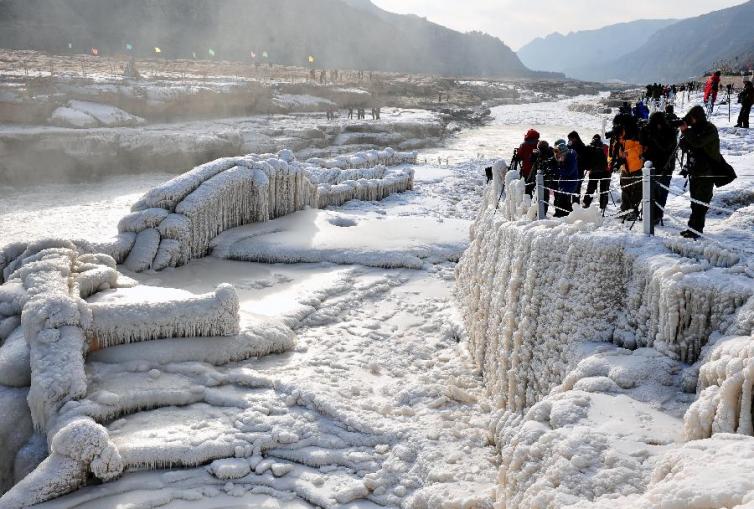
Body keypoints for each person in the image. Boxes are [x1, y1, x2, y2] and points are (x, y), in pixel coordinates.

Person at [679, 105, 722, 238]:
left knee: (701, 203)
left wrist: (686, 131)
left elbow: (698, 143)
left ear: (697, 117)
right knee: (694, 202)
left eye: (691, 118)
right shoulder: (695, 130)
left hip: (707, 172)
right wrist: (684, 135)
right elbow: (687, 146)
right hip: (695, 171)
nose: (690, 121)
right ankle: (692, 228)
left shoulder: (710, 129)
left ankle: (697, 230)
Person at [640, 112, 678, 224]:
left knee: (660, 194)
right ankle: (648, 214)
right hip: (650, 166)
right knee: (648, 192)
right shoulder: (651, 131)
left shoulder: (670, 132)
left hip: (665, 167)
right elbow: (642, 141)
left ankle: (656, 216)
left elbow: (665, 147)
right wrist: (644, 131)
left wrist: (654, 135)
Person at [614, 125, 644, 222]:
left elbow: (639, 149)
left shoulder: (634, 136)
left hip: (636, 168)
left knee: (637, 191)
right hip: (625, 170)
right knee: (625, 190)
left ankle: (633, 211)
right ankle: (624, 210)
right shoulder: (619, 141)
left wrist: (626, 153)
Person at [528, 140, 558, 215]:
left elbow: (533, 162)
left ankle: (541, 212)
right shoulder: (551, 152)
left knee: (543, 195)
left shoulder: (547, 154)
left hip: (546, 177)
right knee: (544, 195)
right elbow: (532, 161)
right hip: (547, 177)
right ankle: (541, 212)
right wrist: (533, 154)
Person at [582, 135, 611, 212]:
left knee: (591, 188)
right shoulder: (606, 147)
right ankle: (603, 205)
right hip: (605, 171)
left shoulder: (590, 147)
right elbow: (609, 157)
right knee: (604, 189)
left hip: (593, 171)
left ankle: (586, 203)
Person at [553, 140, 579, 217]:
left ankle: (565, 215)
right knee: (563, 200)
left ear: (564, 153)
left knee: (563, 200)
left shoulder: (571, 158)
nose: (558, 157)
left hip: (570, 183)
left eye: (559, 155)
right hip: (564, 182)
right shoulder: (565, 158)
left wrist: (556, 170)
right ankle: (564, 215)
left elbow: (568, 172)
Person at [517, 129, 541, 196]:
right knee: (538, 186)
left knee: (528, 186)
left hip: (527, 169)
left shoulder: (524, 145)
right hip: (538, 169)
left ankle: (528, 200)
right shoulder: (539, 144)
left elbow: (519, 156)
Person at [567, 131, 587, 202]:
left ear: (574, 138)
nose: (569, 140)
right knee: (573, 188)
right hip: (573, 170)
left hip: (578, 170)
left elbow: (580, 158)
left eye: (570, 139)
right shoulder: (575, 145)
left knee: (576, 189)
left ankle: (575, 205)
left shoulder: (580, 146)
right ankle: (573, 205)